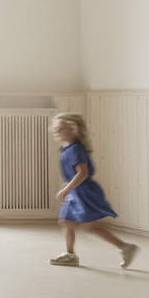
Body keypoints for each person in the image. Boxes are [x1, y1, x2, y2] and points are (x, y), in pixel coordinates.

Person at [50, 112, 138, 268]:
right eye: (55, 129)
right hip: (75, 192)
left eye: (61, 129)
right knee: (66, 221)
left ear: (74, 130)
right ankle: (70, 254)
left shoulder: (75, 150)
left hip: (83, 193)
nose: (57, 132)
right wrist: (67, 187)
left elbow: (82, 173)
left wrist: (66, 189)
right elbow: (74, 174)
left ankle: (125, 247)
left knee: (91, 226)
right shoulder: (67, 149)